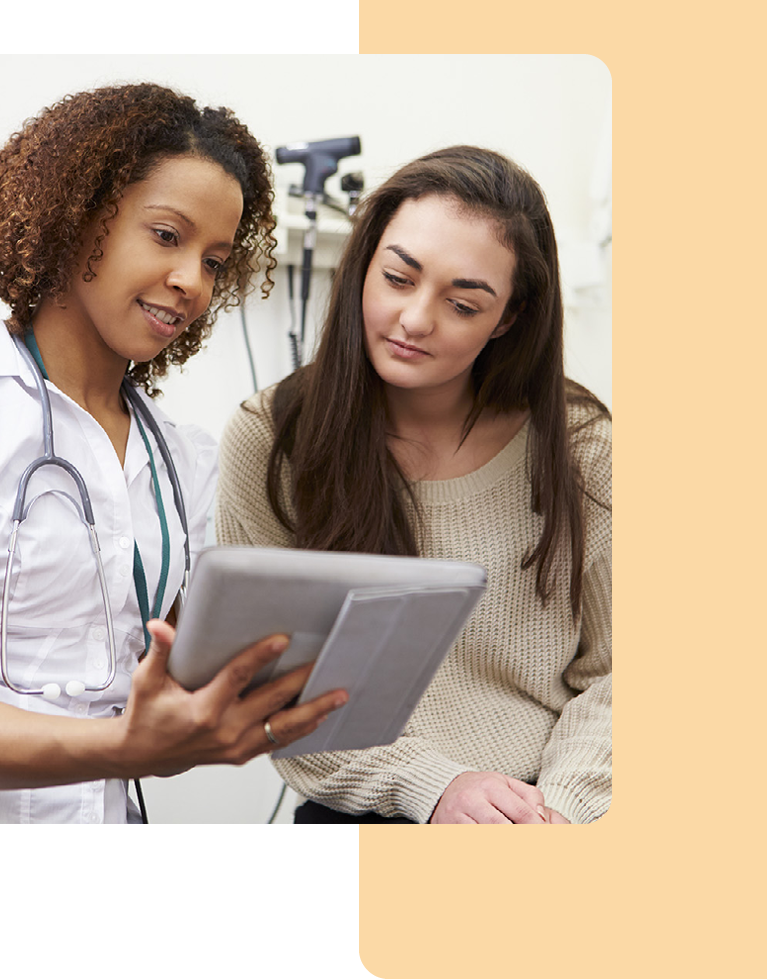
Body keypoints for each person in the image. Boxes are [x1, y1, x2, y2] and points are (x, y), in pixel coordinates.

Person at [0, 83, 348, 823]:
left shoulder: (183, 462)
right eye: (167, 236)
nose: (191, 283)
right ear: (78, 217)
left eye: (214, 260)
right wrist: (119, 746)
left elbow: (177, 676)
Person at [216, 145, 611, 824]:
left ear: (508, 318)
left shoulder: (579, 447)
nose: (416, 319)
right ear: (365, 264)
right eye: (399, 278)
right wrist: (435, 787)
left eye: (462, 303)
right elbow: (278, 697)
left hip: (550, 815)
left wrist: (559, 813)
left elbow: (619, 673)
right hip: (369, 810)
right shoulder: (273, 438)